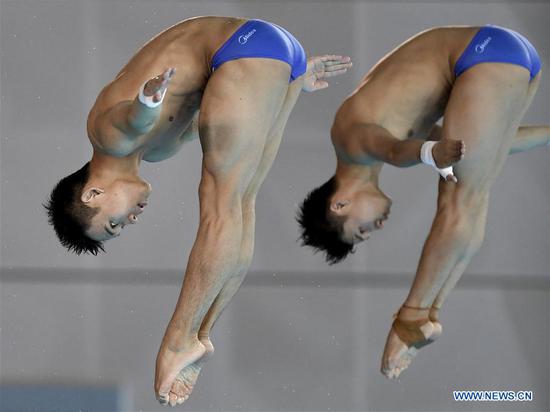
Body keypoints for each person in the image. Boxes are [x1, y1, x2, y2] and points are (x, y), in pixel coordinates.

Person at [45, 16, 352, 406]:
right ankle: (202, 334)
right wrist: (282, 84)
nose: (132, 219)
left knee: (221, 207)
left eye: (115, 222)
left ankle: (177, 340)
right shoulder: (157, 150)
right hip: (271, 57)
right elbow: (221, 112)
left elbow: (131, 117)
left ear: (92, 194)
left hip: (244, 45)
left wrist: (146, 101)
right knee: (240, 203)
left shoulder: (105, 136)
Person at [297, 25, 547, 379]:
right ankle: (429, 311)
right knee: (473, 191)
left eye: (362, 230)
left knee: (459, 195)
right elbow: (489, 145)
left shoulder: (349, 140)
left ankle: (411, 316)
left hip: (483, 54)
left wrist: (430, 153)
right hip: (507, 54)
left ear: (339, 205)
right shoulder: (394, 120)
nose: (379, 226)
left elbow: (397, 152)